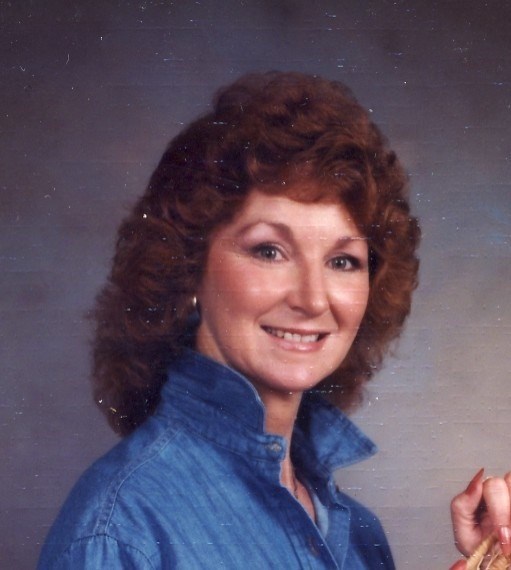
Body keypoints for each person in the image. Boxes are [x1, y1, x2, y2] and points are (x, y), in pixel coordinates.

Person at [38, 71, 423, 569]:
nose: (312, 299)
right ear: (188, 267)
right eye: (269, 251)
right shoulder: (121, 531)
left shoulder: (361, 540)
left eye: (343, 261)